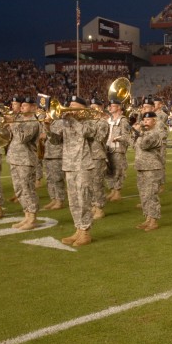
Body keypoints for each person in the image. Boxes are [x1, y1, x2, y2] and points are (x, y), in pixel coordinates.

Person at [45, 95, 97, 247]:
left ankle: (86, 232)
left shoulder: (90, 121)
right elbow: (55, 141)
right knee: (73, 200)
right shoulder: (64, 122)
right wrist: (48, 127)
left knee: (84, 198)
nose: (70, 108)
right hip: (69, 164)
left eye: (74, 106)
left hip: (83, 163)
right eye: (70, 105)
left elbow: (87, 133)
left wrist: (73, 120)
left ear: (82, 109)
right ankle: (78, 229)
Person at [7, 96, 41, 230]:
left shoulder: (33, 122)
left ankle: (32, 217)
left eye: (25, 105)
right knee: (19, 189)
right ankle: (26, 216)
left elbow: (22, 138)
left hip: (26, 160)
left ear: (33, 107)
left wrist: (12, 123)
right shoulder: (19, 120)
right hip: (14, 158)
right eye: (22, 105)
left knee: (28, 189)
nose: (22, 107)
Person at [132, 111, 163, 231]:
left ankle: (154, 220)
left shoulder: (154, 133)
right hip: (141, 166)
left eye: (148, 120)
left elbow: (145, 145)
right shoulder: (144, 133)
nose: (145, 122)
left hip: (152, 168)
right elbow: (135, 145)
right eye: (144, 120)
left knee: (151, 194)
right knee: (144, 194)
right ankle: (148, 218)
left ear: (154, 121)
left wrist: (138, 132)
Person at [105, 98, 131, 202]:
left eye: (113, 106)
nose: (110, 107)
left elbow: (127, 136)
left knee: (118, 171)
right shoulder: (109, 119)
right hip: (108, 148)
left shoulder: (123, 120)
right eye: (109, 105)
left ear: (119, 107)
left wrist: (117, 138)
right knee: (109, 171)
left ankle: (117, 192)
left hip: (118, 149)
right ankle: (112, 190)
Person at [88, 97, 110, 220]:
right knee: (90, 183)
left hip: (97, 156)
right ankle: (93, 206)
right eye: (90, 107)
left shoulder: (102, 122)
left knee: (97, 183)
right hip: (87, 156)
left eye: (94, 107)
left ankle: (99, 208)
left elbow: (99, 138)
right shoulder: (88, 122)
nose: (92, 109)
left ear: (100, 108)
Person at [41, 117, 66, 210]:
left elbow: (59, 137)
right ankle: (53, 198)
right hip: (47, 153)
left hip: (57, 153)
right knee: (49, 179)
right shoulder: (47, 121)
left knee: (57, 178)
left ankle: (60, 200)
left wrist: (46, 134)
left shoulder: (60, 122)